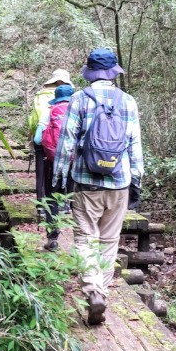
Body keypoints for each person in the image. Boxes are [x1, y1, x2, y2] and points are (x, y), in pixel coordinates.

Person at [52, 48, 143, 326]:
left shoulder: (78, 99)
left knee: (84, 238)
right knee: (109, 241)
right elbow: (135, 147)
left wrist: (59, 178)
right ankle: (101, 291)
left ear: (90, 73)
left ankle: (92, 290)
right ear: (113, 72)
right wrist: (136, 180)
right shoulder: (128, 102)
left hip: (86, 181)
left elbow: (67, 143)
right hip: (119, 183)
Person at [27, 69, 72, 249]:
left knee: (51, 196)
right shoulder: (81, 111)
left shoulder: (49, 110)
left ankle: (53, 237)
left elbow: (38, 139)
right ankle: (85, 243)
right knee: (74, 194)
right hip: (75, 162)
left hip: (52, 159)